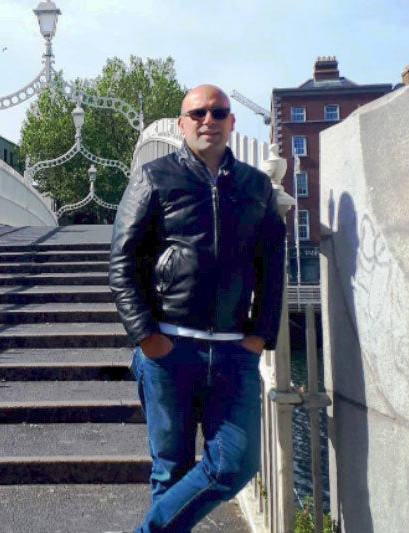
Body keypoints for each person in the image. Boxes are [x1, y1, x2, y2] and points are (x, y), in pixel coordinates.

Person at [108, 84, 285, 532]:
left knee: (235, 464)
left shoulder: (256, 186)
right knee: (170, 471)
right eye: (199, 113)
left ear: (232, 122)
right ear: (182, 124)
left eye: (219, 112)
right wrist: (146, 335)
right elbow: (122, 260)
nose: (209, 119)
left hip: (232, 351)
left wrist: (260, 335)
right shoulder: (154, 177)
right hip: (170, 349)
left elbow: (273, 266)